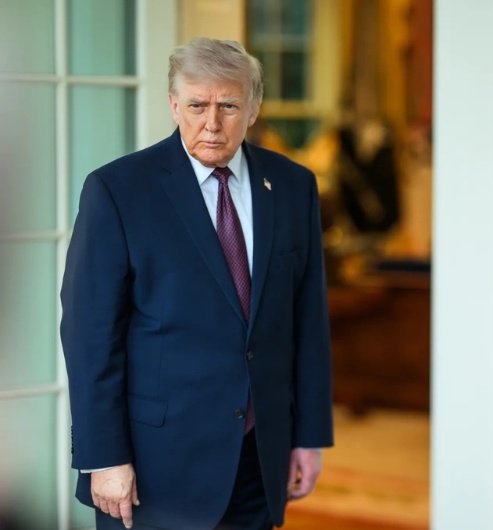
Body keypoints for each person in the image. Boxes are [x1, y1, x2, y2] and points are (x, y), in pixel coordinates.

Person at [60, 38, 333, 530]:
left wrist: (308, 437)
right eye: (197, 105)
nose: (212, 123)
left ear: (253, 109)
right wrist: (103, 457)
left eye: (228, 105)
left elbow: (307, 322)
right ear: (173, 105)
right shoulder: (118, 190)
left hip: (259, 456)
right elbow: (89, 336)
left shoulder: (294, 186)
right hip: (152, 467)